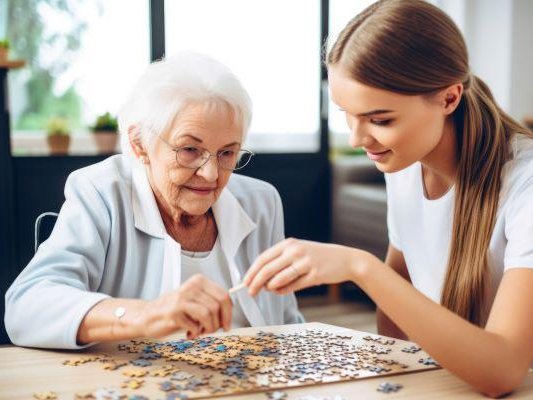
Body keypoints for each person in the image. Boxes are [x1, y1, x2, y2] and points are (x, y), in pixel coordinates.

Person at [243, 0, 533, 396]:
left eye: (380, 120)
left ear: (449, 98)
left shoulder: (525, 186)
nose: (357, 139)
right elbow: (397, 312)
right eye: (348, 113)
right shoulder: (406, 165)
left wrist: (359, 266)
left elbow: (503, 371)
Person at [5, 52, 303, 350]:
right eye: (189, 149)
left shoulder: (262, 202)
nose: (211, 173)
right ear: (139, 144)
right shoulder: (101, 192)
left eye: (227, 153)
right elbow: (25, 307)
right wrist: (145, 314)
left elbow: (288, 323)